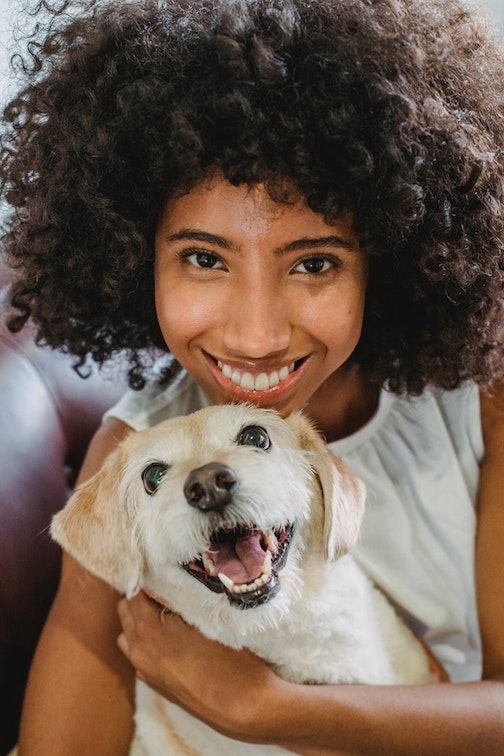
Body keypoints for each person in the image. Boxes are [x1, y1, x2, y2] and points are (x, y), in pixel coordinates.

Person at [2, 0, 504, 752]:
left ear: (389, 259)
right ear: (135, 257)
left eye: (314, 262)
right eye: (205, 259)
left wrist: (266, 709)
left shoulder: (482, 402)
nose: (258, 334)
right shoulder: (131, 458)